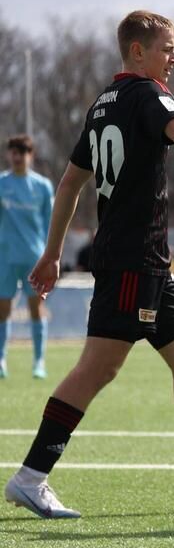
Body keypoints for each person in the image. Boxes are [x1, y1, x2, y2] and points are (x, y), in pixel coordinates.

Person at [3, 11, 174, 519]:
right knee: (97, 369)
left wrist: (52, 254)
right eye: (167, 48)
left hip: (147, 263)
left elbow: (70, 182)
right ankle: (30, 477)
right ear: (137, 51)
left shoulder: (101, 104)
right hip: (134, 260)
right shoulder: (148, 95)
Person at [0, 135, 53, 379]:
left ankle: (39, 362)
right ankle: (1, 359)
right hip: (5, 257)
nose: (17, 156)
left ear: (30, 155)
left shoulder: (42, 187)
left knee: (36, 308)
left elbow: (51, 224)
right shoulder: (1, 183)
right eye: (14, 151)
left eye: (22, 151)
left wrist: (51, 254)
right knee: (3, 309)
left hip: (34, 256)